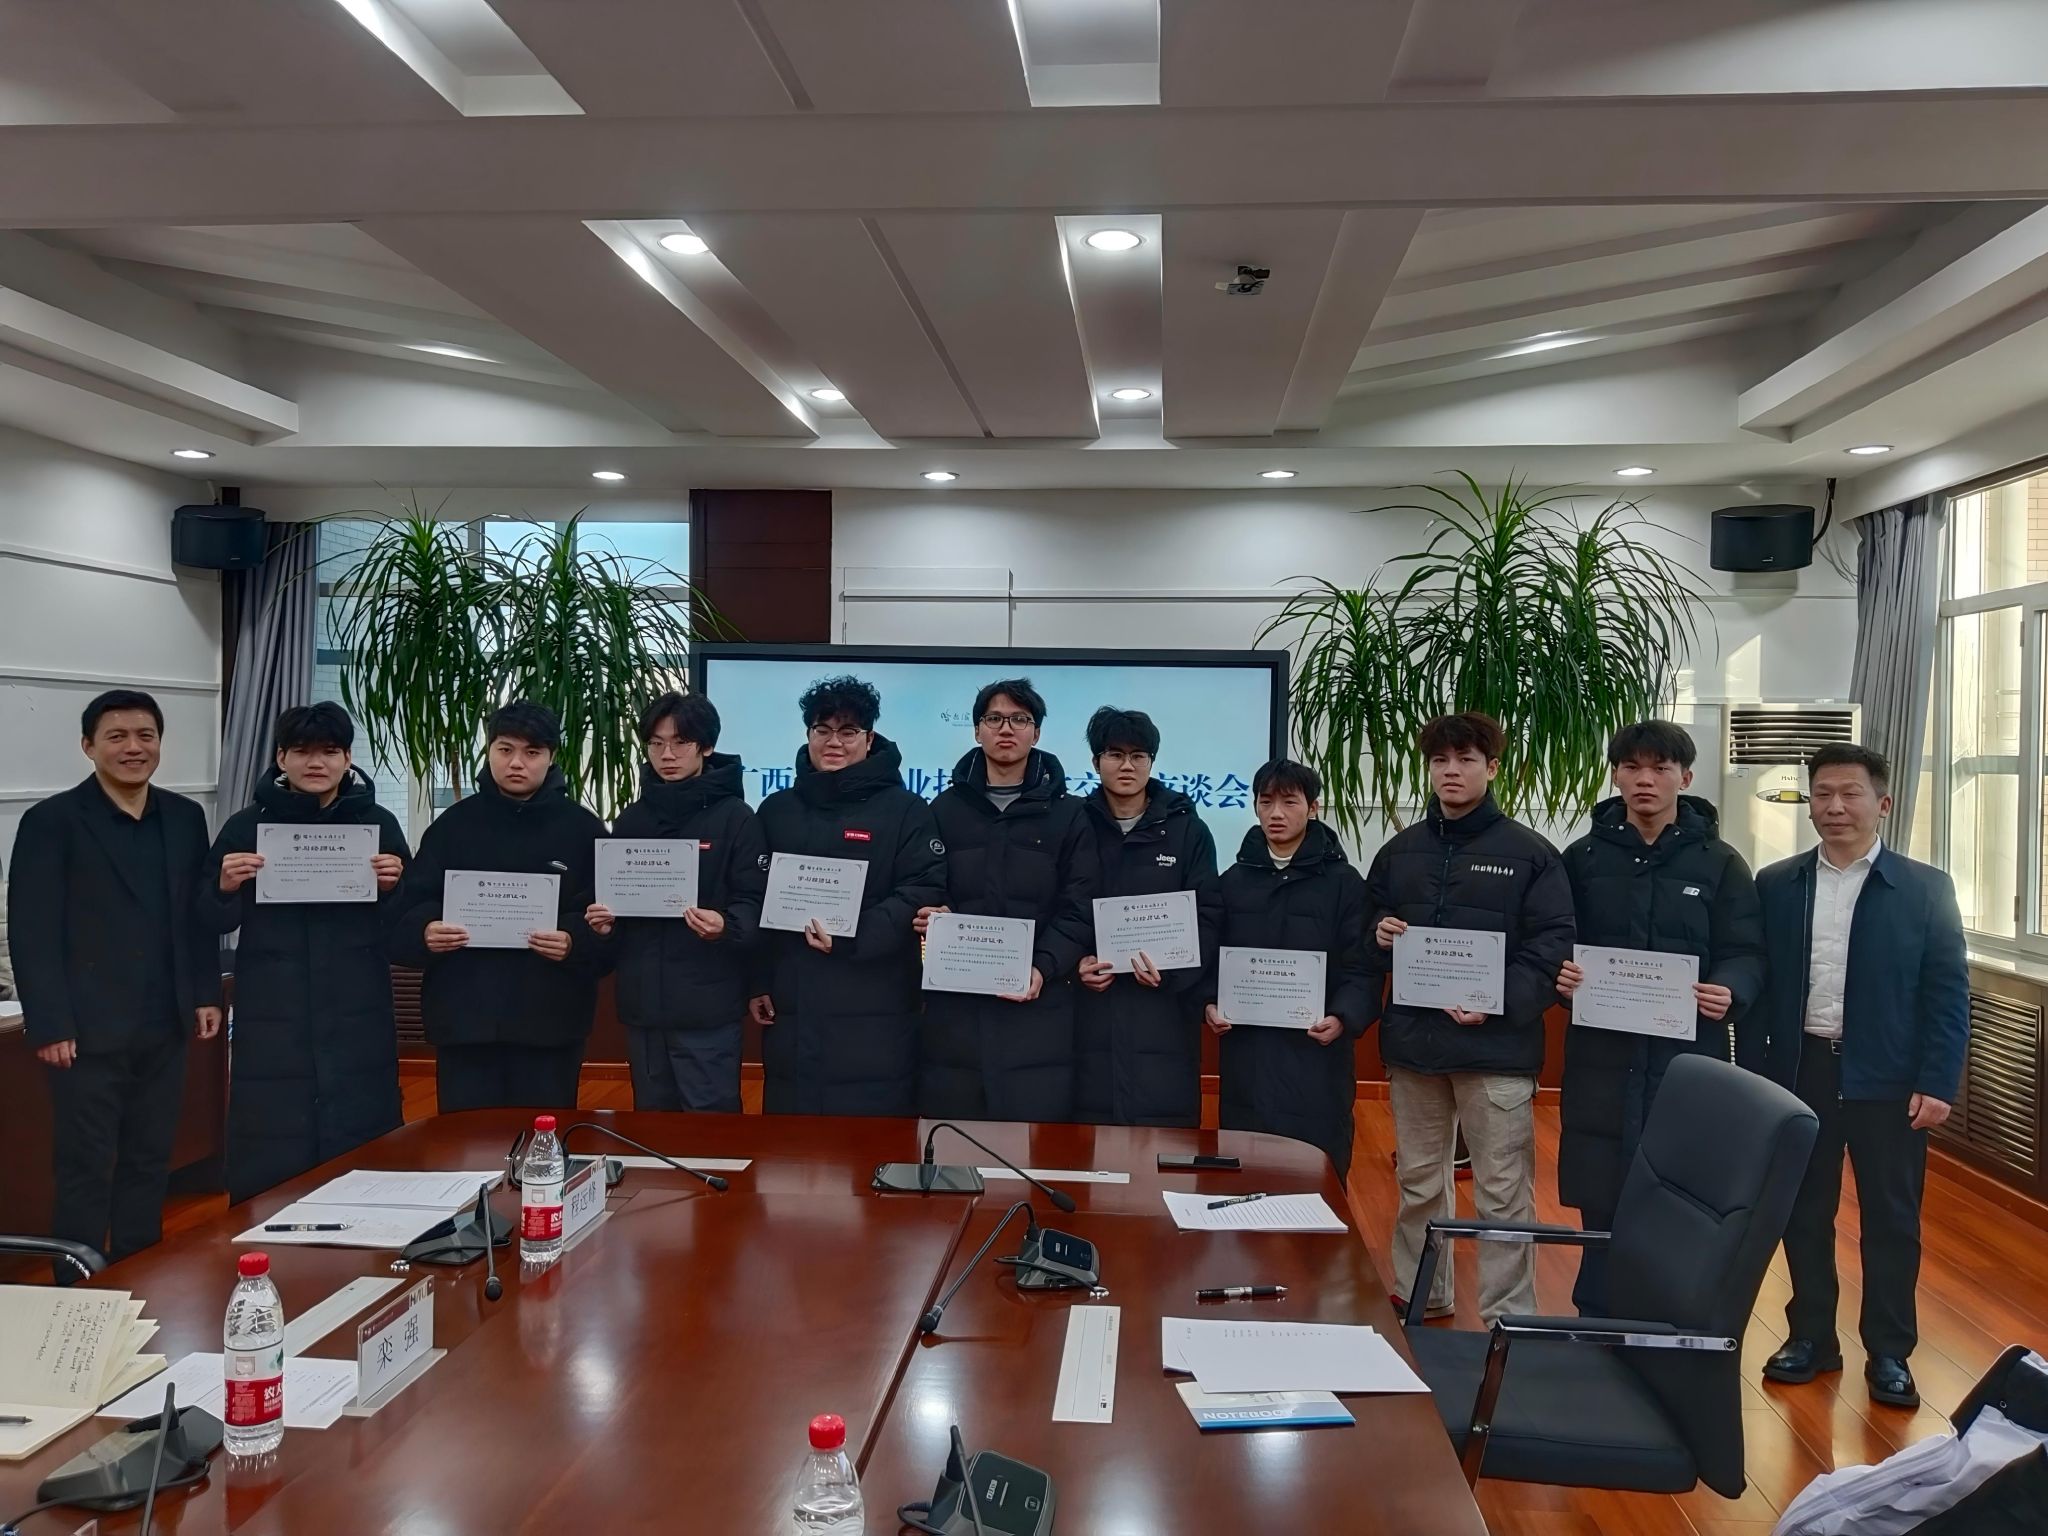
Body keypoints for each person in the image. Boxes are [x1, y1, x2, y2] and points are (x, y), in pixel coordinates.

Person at [1753, 743, 1969, 1410]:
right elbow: (1761, 988)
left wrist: (1938, 1080)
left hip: (1891, 1080)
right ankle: (1812, 1336)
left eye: (1850, 793)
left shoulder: (1925, 888)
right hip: (1803, 1072)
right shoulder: (1777, 883)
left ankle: (1890, 1350)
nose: (1835, 806)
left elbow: (1947, 992)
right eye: (1822, 793)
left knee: (1892, 1220)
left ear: (1883, 804)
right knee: (1803, 1212)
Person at [1366, 711, 1574, 1323]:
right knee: (1418, 1182)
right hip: (1415, 1046)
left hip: (1497, 1052)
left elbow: (1554, 945)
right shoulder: (1399, 852)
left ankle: (1509, 1313)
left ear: (1493, 768)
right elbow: (1363, 926)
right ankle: (1421, 1292)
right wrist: (1377, 932)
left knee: (1502, 1191)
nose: (1451, 771)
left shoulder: (1530, 855)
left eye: (1465, 760)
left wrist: (1496, 999)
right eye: (1440, 761)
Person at [1554, 720, 1766, 1313]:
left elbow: (1747, 951)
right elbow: (1556, 938)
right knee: (1601, 1190)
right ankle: (1595, 1315)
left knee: (1680, 1191)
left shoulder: (1721, 863)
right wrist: (1561, 975)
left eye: (1660, 768)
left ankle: (1666, 1318)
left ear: (1686, 778)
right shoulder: (1582, 859)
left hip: (1686, 1058)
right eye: (1632, 767)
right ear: (1615, 776)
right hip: (1602, 1056)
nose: (1645, 779)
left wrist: (1730, 989)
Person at [7, 690, 223, 1271]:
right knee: (85, 1165)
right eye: (117, 737)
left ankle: (139, 1275)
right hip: (84, 1031)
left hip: (164, 1022)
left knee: (150, 1159)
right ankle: (77, 1289)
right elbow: (31, 931)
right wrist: (50, 1022)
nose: (134, 748)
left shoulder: (184, 817)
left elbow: (195, 916)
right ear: (88, 746)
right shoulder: (51, 821)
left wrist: (205, 991)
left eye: (145, 736)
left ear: (159, 744)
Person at [199, 702, 411, 1204]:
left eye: (330, 751)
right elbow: (208, 918)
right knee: (272, 1132)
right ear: (280, 758)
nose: (316, 763)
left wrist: (394, 885)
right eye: (301, 751)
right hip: (274, 1004)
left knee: (362, 1127)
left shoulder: (377, 823)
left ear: (348, 759)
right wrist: (224, 885)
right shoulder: (247, 826)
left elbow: (405, 923)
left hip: (356, 999)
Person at [390, 701, 609, 1112]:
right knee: (464, 1140)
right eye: (505, 749)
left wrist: (573, 940)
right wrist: (425, 931)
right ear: (489, 750)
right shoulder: (453, 825)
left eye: (532, 752)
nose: (516, 763)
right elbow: (409, 905)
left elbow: (606, 920)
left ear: (551, 757)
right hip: (464, 1018)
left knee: (543, 1137)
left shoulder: (583, 829)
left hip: (550, 1019)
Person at [750, 676, 945, 1115]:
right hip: (793, 1002)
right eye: (822, 730)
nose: (833, 742)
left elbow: (922, 887)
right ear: (808, 735)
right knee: (792, 1138)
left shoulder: (906, 810)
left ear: (869, 739)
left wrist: (851, 934)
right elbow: (754, 897)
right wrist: (759, 980)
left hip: (876, 998)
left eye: (848, 731)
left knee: (871, 1139)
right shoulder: (777, 810)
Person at [917, 678, 1098, 1122]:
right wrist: (932, 915)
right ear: (977, 730)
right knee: (954, 1144)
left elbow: (1080, 907)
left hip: (1039, 1010)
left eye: (1020, 719)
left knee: (1032, 1148)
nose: (1006, 728)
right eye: (994, 718)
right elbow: (926, 887)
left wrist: (1042, 967)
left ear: (1036, 733)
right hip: (956, 1013)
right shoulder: (942, 810)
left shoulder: (1070, 815)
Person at [586, 692, 765, 1114]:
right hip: (643, 1006)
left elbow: (755, 901)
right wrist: (605, 923)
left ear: (706, 746)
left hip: (707, 1006)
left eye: (681, 742)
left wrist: (726, 925)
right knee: (651, 1123)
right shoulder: (632, 820)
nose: (667, 755)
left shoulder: (737, 818)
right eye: (656, 743)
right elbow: (613, 904)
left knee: (711, 1123)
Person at [1203, 759, 1374, 1175]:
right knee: (1245, 1165)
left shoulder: (1344, 883)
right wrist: (1209, 1003)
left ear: (1313, 808)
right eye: (1266, 802)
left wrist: (1343, 1016)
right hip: (1248, 1052)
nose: (1276, 813)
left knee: (1316, 1168)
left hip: (1316, 1054)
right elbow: (1211, 957)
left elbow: (1363, 965)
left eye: (1289, 802)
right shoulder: (1232, 881)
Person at [1073, 706, 1222, 1126]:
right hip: (1089, 1010)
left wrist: (1171, 971)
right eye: (1115, 754)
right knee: (1087, 1145)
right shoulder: (1074, 825)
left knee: (1166, 1144)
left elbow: (1208, 914)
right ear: (1096, 762)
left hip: (1165, 1012)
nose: (1127, 765)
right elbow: (1060, 908)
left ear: (1152, 762)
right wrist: (1074, 964)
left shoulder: (1188, 831)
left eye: (1138, 756)